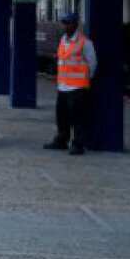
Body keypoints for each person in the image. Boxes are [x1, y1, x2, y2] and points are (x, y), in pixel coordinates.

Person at [45, 12, 96, 155]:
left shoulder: (85, 42)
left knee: (78, 118)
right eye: (64, 23)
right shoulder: (63, 40)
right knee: (61, 117)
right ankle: (62, 140)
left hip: (77, 88)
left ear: (75, 24)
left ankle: (78, 144)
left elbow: (92, 64)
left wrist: (84, 80)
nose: (66, 26)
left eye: (69, 23)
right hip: (63, 86)